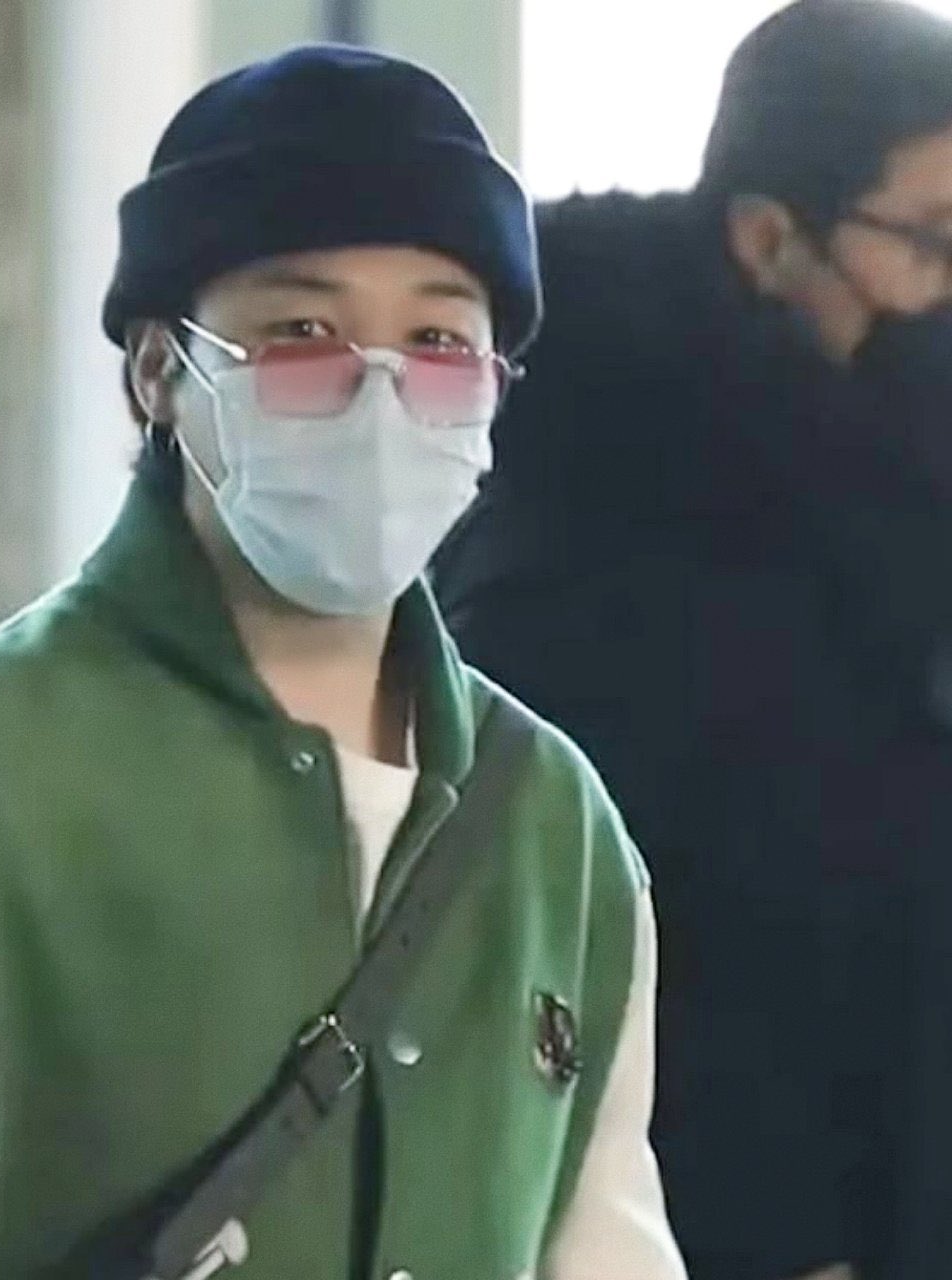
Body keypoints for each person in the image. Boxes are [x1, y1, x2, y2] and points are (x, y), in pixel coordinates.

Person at [0, 46, 685, 1280]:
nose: (378, 395)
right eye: (302, 330)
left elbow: (607, 1246)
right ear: (160, 370)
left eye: (436, 337)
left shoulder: (555, 827)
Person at [432, 3, 952, 1280]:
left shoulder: (889, 484)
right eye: (932, 240)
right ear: (768, 238)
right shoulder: (593, 507)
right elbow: (621, 934)